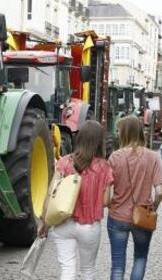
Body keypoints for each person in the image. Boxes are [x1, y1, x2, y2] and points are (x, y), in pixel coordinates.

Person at [38, 120, 113, 280]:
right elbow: (106, 201)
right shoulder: (104, 167)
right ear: (99, 141)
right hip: (89, 226)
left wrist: (44, 222)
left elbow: (50, 193)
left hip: (63, 223)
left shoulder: (64, 161)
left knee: (67, 269)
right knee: (88, 270)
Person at [108, 116, 162, 280]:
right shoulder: (152, 157)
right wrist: (153, 207)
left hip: (117, 217)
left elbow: (108, 192)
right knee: (140, 258)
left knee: (117, 265)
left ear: (124, 133)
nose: (118, 134)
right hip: (142, 217)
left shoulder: (114, 157)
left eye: (119, 131)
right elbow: (159, 191)